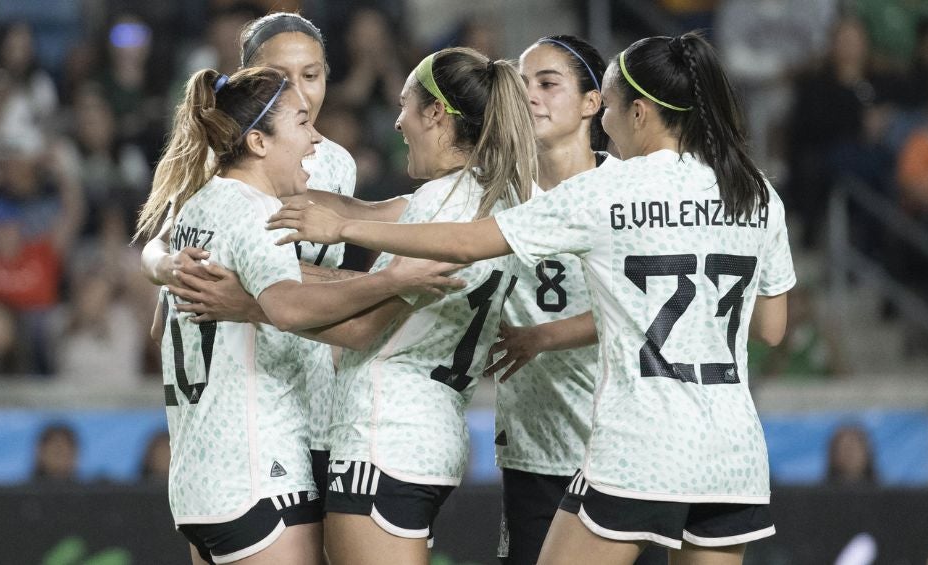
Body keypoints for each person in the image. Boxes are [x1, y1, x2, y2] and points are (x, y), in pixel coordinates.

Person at [269, 32, 794, 565]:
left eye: (609, 109)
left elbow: (462, 241)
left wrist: (341, 230)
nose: (605, 128)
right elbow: (771, 326)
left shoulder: (608, 191)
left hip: (640, 445)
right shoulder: (754, 190)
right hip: (734, 455)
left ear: (638, 113)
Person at [173, 46, 536, 565]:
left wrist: (253, 301)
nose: (396, 122)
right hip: (431, 435)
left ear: (436, 114)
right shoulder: (491, 200)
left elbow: (363, 324)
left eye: (406, 106)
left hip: (382, 435)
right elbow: (363, 231)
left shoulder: (432, 205)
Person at [134, 66, 463, 565]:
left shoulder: (193, 211)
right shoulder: (256, 213)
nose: (315, 141)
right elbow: (288, 307)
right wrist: (391, 280)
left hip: (199, 481)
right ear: (259, 142)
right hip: (260, 475)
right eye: (303, 123)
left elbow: (161, 327)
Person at [486, 34, 616, 565]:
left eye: (547, 83)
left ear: (592, 103)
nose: (530, 96)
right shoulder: (495, 190)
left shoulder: (627, 193)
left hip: (621, 451)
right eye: (522, 85)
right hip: (533, 452)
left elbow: (645, 306)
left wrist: (543, 336)